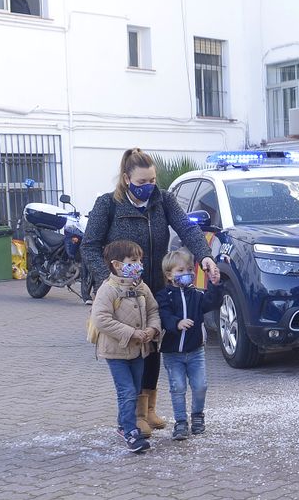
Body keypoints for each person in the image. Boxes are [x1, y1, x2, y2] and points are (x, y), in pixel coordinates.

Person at [81, 148, 219, 436]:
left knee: (154, 347)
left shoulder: (163, 199)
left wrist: (205, 256)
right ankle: (134, 414)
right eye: (142, 181)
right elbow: (89, 246)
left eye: (152, 180)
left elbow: (187, 228)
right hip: (121, 294)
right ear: (126, 178)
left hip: (153, 289)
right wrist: (110, 279)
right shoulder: (108, 205)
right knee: (131, 349)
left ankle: (150, 409)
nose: (148, 187)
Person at [90, 239, 161, 454]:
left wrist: (152, 330)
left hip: (139, 349)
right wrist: (131, 333)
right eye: (133, 260)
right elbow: (101, 318)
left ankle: (123, 424)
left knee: (135, 389)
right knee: (127, 391)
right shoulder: (108, 289)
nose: (138, 264)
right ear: (117, 264)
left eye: (140, 260)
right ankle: (131, 432)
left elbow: (153, 311)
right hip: (116, 351)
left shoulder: (141, 287)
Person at [157, 249, 223, 440]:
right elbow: (163, 315)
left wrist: (215, 284)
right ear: (169, 275)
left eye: (189, 269)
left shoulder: (196, 294)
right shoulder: (164, 296)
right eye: (180, 270)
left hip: (195, 351)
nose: (186, 273)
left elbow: (212, 302)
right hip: (172, 353)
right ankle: (180, 422)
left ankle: (197, 416)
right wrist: (176, 323)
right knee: (177, 388)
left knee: (200, 385)